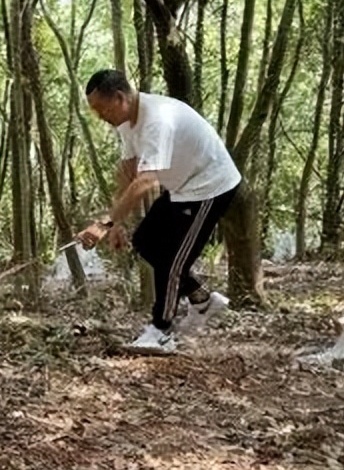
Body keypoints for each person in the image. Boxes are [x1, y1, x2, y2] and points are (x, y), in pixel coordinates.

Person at [76, 69, 242, 353]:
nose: (101, 116)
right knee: (146, 242)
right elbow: (129, 171)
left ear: (119, 97)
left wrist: (103, 224)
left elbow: (146, 181)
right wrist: (116, 225)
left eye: (102, 108)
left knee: (174, 260)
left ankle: (162, 330)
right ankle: (202, 301)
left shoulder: (157, 120)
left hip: (210, 186)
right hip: (181, 187)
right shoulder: (127, 122)